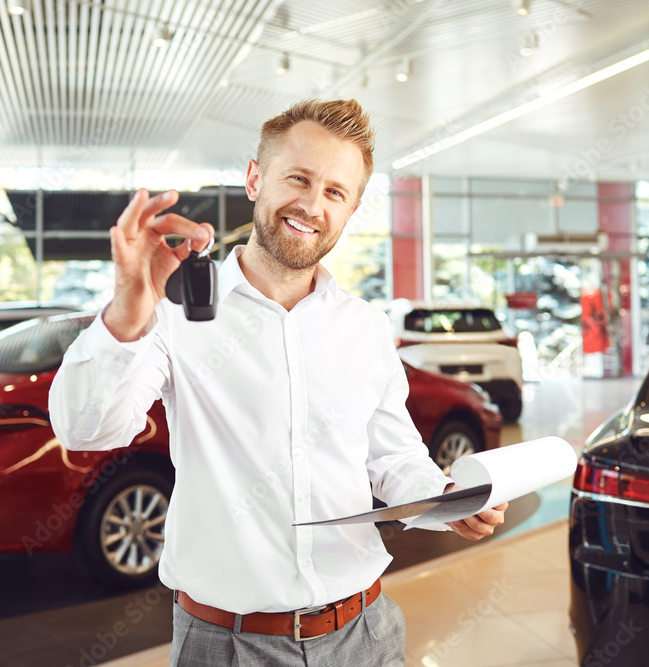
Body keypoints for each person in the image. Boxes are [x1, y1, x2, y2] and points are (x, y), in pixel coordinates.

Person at [49, 98, 508, 667]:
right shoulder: (175, 309)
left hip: (367, 632)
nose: (312, 205)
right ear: (255, 178)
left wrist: (441, 499)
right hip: (227, 645)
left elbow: (391, 458)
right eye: (298, 178)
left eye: (335, 192)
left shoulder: (364, 327)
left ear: (352, 207)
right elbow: (85, 430)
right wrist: (127, 310)